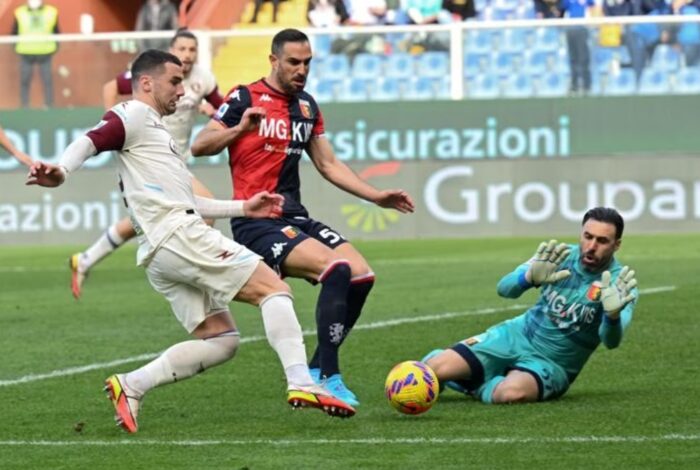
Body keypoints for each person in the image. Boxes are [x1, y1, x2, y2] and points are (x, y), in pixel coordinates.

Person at [26, 49, 356, 433]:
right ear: (146, 83)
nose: (182, 91)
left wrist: (244, 208)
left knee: (222, 340)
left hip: (160, 251)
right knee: (274, 289)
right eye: (174, 81)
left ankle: (132, 385)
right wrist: (61, 171)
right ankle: (301, 380)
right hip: (178, 235)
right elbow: (91, 139)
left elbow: (189, 201)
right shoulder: (133, 113)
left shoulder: (156, 133)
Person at [191, 28, 415, 407]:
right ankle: (328, 375)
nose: (302, 70)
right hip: (256, 221)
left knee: (361, 275)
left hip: (294, 217)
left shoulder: (307, 107)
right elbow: (200, 145)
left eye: (307, 63)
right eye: (294, 62)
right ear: (273, 60)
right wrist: (240, 128)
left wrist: (376, 196)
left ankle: (315, 367)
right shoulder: (244, 97)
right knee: (337, 269)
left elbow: (328, 164)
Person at [423, 207, 638, 404]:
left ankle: (476, 380)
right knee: (433, 369)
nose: (591, 247)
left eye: (602, 241)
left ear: (616, 244)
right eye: (588, 236)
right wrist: (528, 278)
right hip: (515, 335)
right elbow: (504, 289)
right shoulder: (556, 256)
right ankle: (472, 370)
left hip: (553, 364)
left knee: (510, 394)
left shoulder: (620, 286)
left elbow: (611, 342)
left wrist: (612, 316)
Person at [70, 29, 225, 300]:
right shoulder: (156, 73)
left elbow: (223, 110)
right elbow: (110, 87)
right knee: (205, 208)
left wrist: (213, 112)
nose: (187, 54)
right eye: (182, 49)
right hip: (148, 159)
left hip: (176, 161)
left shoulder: (203, 79)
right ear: (172, 50)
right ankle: (196, 269)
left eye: (192, 49)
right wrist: (111, 121)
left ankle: (84, 260)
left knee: (143, 219)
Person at [12, 0, 59, 108]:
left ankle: (49, 105)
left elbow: (56, 31)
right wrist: (15, 46)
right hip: (25, 52)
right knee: (25, 79)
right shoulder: (20, 12)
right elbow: (14, 32)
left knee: (47, 79)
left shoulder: (51, 12)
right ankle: (24, 106)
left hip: (46, 52)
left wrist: (55, 46)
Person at [560, 0, 596, 96]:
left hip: (582, 28)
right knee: (573, 59)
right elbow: (562, 8)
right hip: (571, 29)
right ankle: (574, 86)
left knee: (584, 59)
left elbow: (593, 6)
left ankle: (587, 86)